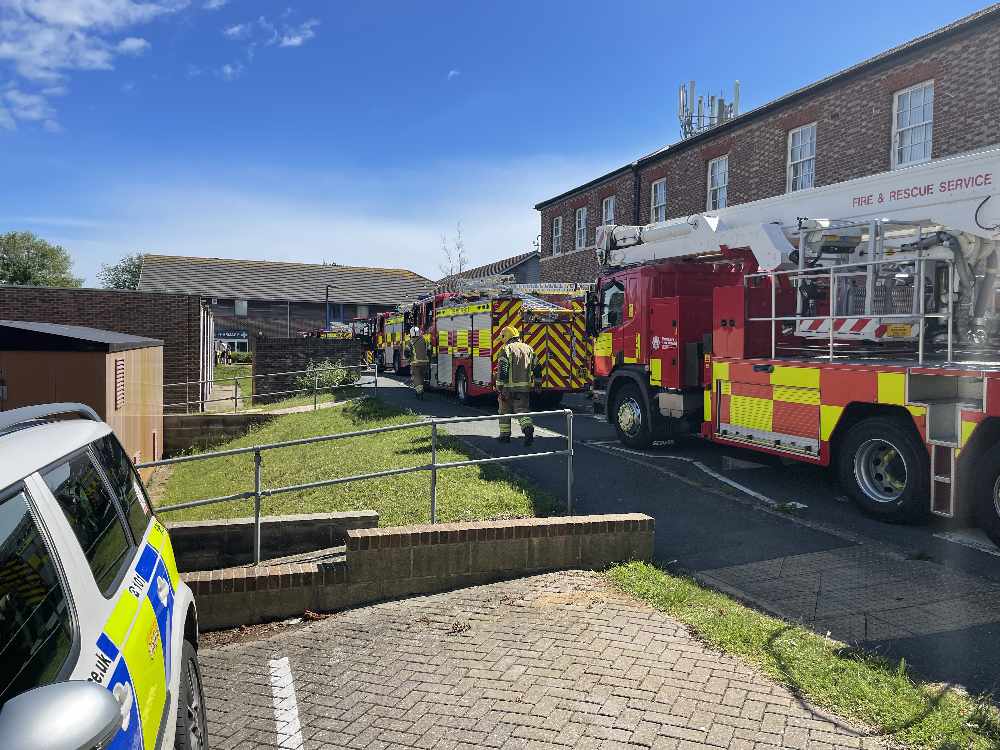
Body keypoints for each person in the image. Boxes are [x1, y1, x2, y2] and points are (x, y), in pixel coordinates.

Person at [496, 326, 539, 446]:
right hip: (524, 389)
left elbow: (503, 369)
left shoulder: (506, 349)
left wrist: (499, 385)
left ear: (507, 337)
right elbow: (538, 367)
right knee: (522, 411)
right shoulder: (529, 349)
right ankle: (527, 428)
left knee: (504, 411)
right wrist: (538, 383)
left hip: (508, 389)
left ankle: (504, 436)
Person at [404, 326, 429, 399]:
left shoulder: (410, 341)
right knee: (422, 377)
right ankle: (421, 389)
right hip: (425, 363)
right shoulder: (424, 340)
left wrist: (408, 359)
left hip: (415, 363)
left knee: (416, 378)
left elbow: (406, 352)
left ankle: (419, 392)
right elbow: (429, 349)